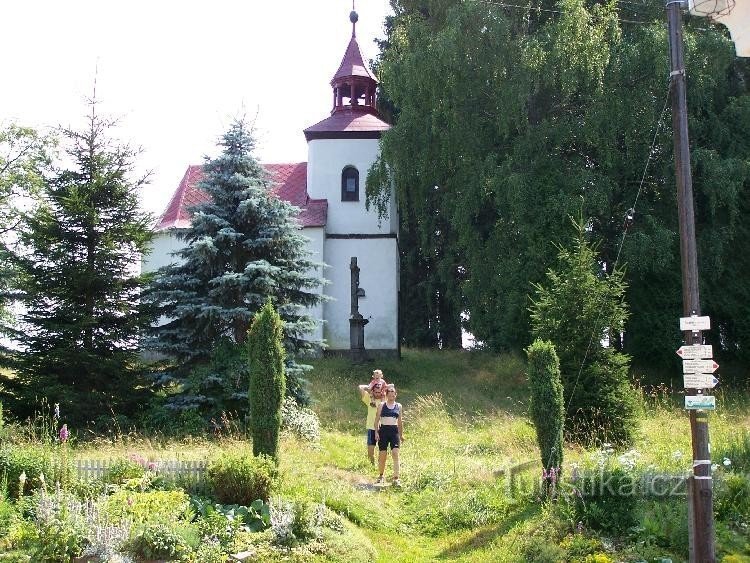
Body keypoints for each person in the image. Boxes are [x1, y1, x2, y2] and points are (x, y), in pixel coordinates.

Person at [374, 384, 404, 486]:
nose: (391, 396)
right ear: (386, 395)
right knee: (383, 454)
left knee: (395, 453)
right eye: (389, 394)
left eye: (393, 394)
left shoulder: (398, 406)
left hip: (394, 430)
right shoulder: (382, 405)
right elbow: (377, 419)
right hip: (383, 430)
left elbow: (400, 422)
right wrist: (376, 432)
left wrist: (401, 435)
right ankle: (381, 476)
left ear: (395, 395)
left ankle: (396, 478)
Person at [358, 379, 385, 465]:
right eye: (376, 392)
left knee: (383, 450)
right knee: (370, 450)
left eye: (379, 392)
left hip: (383, 428)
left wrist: (384, 385)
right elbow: (360, 387)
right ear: (373, 392)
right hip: (371, 427)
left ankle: (380, 465)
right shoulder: (369, 399)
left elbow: (392, 389)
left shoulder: (385, 401)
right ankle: (372, 465)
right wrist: (369, 387)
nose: (377, 394)